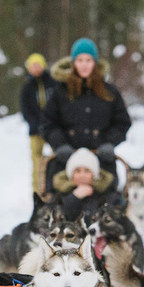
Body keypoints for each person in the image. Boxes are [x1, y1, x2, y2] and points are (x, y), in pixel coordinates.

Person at [41, 37, 131, 193]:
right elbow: (48, 123)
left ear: (95, 63)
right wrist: (60, 144)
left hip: (101, 158)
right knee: (56, 199)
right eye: (80, 60)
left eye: (88, 60)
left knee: (111, 202)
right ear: (73, 62)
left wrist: (110, 143)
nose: (84, 64)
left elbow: (122, 122)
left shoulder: (109, 92)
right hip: (66, 159)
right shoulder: (60, 92)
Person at [20, 53, 57, 195]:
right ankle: (38, 193)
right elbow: (26, 110)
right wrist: (35, 125)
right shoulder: (27, 88)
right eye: (33, 65)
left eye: (38, 65)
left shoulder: (53, 84)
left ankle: (55, 190)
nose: (36, 68)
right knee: (37, 162)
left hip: (53, 128)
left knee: (57, 159)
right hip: (35, 131)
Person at [53, 148, 121, 222]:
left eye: (87, 171)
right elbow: (59, 216)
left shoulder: (105, 194)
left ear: (93, 175)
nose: (82, 175)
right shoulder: (61, 194)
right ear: (71, 175)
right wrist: (74, 197)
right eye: (78, 171)